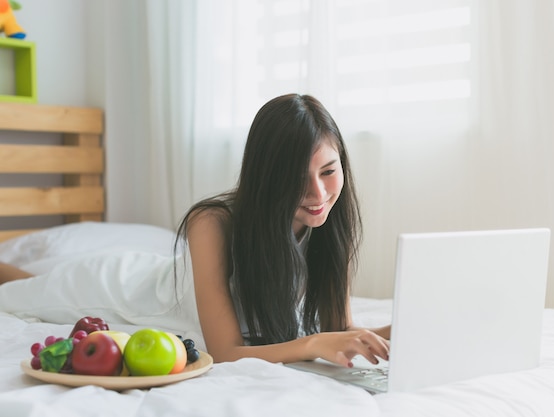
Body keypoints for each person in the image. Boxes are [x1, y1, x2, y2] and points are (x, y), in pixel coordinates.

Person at [0, 94, 390, 368]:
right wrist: (314, 344)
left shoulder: (328, 222)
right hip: (118, 291)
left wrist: (400, 330)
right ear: (267, 176)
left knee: (28, 279)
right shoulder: (212, 222)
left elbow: (341, 330)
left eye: (328, 171)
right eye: (296, 178)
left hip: (155, 276)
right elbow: (224, 352)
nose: (319, 193)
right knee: (15, 294)